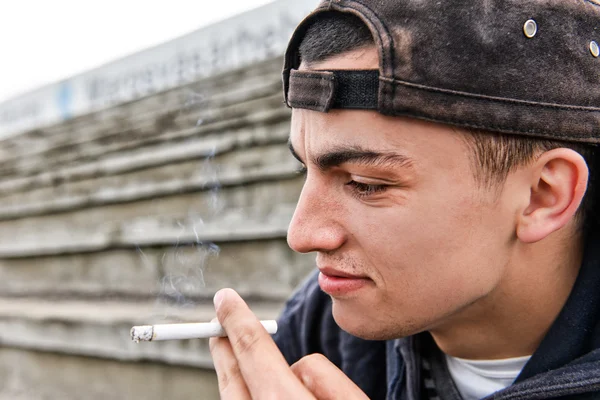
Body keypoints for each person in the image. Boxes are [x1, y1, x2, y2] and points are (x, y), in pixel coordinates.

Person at [209, 1, 600, 398]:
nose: (302, 234)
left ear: (542, 196)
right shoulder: (318, 333)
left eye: (366, 183)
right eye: (304, 170)